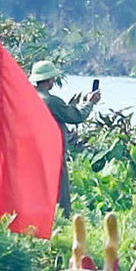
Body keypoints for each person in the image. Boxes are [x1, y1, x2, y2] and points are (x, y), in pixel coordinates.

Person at [29, 61, 99, 214]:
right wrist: (89, 103)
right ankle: (60, 221)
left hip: (32, 153)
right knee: (60, 193)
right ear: (49, 80)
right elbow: (75, 116)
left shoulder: (29, 97)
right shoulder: (50, 101)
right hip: (51, 153)